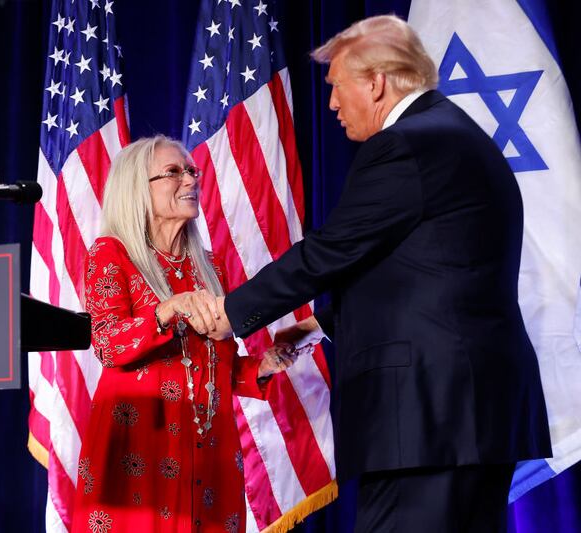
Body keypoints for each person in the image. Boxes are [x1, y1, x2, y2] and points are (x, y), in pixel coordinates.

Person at [209, 15, 551, 532]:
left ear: (376, 82)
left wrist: (229, 312)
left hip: (428, 420)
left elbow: (331, 251)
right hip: (469, 415)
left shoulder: (407, 144)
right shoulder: (457, 135)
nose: (331, 105)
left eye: (337, 87)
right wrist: (321, 325)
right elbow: (429, 270)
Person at [70, 135, 295, 533]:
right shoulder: (110, 253)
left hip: (209, 449)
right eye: (174, 172)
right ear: (138, 187)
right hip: (140, 444)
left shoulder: (211, 266)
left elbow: (212, 364)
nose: (190, 179)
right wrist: (165, 310)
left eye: (192, 171)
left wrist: (263, 364)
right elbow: (106, 343)